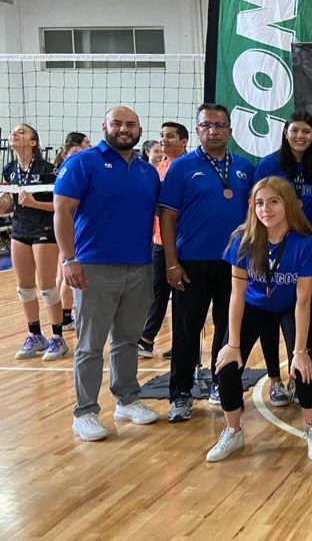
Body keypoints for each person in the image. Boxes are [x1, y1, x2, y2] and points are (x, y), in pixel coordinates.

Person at [54, 106, 162, 441]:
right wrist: (68, 259)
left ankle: (127, 399)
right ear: (105, 126)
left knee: (128, 339)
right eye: (117, 123)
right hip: (94, 268)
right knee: (90, 344)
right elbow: (62, 210)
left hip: (140, 265)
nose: (124, 129)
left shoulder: (147, 171)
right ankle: (84, 412)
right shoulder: (83, 163)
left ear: (139, 129)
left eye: (131, 124)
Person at [205, 177, 312, 463]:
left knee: (303, 367)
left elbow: (304, 300)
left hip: (289, 306)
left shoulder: (304, 244)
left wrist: (299, 351)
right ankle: (233, 431)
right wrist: (233, 344)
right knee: (226, 366)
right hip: (254, 306)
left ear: (288, 205)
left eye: (273, 201)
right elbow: (236, 296)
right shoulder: (243, 240)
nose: (266, 209)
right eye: (259, 203)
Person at [160, 104, 255, 421]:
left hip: (234, 263)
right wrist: (171, 263)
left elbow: (253, 217)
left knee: (228, 329)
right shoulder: (182, 167)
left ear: (230, 130)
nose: (213, 131)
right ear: (197, 130)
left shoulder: (244, 167)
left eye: (219, 125)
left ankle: (221, 384)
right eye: (206, 125)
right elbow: (168, 217)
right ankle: (181, 394)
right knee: (187, 330)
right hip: (191, 262)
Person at [253, 112, 312, 405]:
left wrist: (307, 234)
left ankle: (296, 377)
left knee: (298, 310)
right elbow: (257, 201)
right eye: (295, 131)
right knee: (268, 314)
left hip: (299, 244)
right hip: (271, 240)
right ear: (285, 133)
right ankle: (275, 379)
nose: (300, 137)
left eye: (306, 132)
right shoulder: (270, 164)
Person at [4, 124, 65, 361]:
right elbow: (12, 200)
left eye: (21, 132)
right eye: (14, 131)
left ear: (33, 142)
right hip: (19, 229)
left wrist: (34, 204)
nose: (15, 134)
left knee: (47, 287)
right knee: (24, 287)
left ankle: (58, 338)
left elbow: (60, 205)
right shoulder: (9, 169)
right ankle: (35, 335)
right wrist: (6, 205)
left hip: (45, 229)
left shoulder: (48, 170)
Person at [138, 122, 188, 359]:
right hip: (159, 240)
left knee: (182, 295)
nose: (164, 140)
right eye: (161, 136)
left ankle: (181, 344)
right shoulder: (159, 167)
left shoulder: (190, 166)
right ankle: (148, 340)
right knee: (157, 291)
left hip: (183, 241)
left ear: (184, 141)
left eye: (169, 136)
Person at [54, 132, 90, 329]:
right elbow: (58, 207)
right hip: (68, 227)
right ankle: (66, 316)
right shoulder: (72, 169)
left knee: (62, 275)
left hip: (71, 226)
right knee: (65, 274)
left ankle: (65, 315)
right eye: (85, 143)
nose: (88, 146)